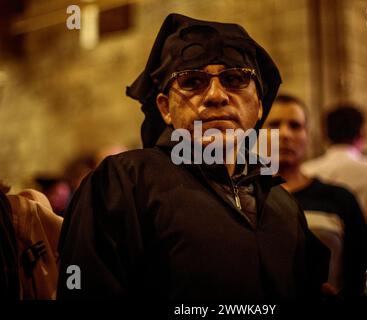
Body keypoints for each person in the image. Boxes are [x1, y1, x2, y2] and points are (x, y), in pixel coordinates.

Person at [57, 13, 329, 301]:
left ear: (260, 105)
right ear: (165, 108)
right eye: (192, 82)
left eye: (235, 79)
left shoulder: (282, 203)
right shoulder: (123, 184)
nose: (215, 95)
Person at [263, 95, 367, 298]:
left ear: (308, 135)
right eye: (274, 125)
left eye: (295, 126)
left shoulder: (339, 198)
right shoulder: (247, 198)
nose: (285, 134)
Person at [302, 105, 367, 273]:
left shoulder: (306, 171)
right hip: (365, 268)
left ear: (325, 134)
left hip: (315, 267)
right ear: (363, 132)